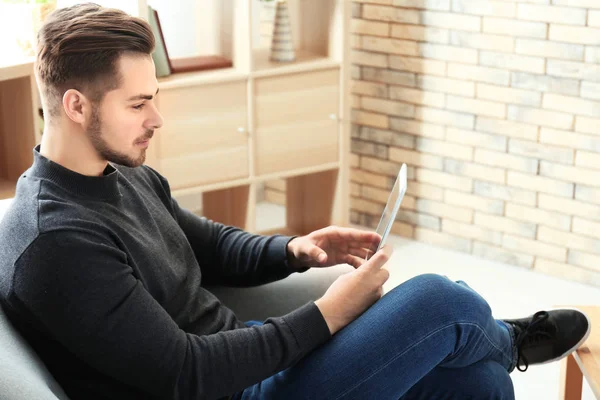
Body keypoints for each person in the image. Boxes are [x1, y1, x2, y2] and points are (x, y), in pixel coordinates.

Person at [0, 4, 591, 400]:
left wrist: (298, 250)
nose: (156, 119)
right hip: (225, 389)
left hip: (247, 358)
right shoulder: (57, 242)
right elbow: (186, 372)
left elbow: (208, 246)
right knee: (440, 302)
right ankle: (505, 337)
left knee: (478, 380)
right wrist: (330, 313)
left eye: (153, 98)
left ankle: (488, 341)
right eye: (137, 104)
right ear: (76, 106)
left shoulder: (117, 171)